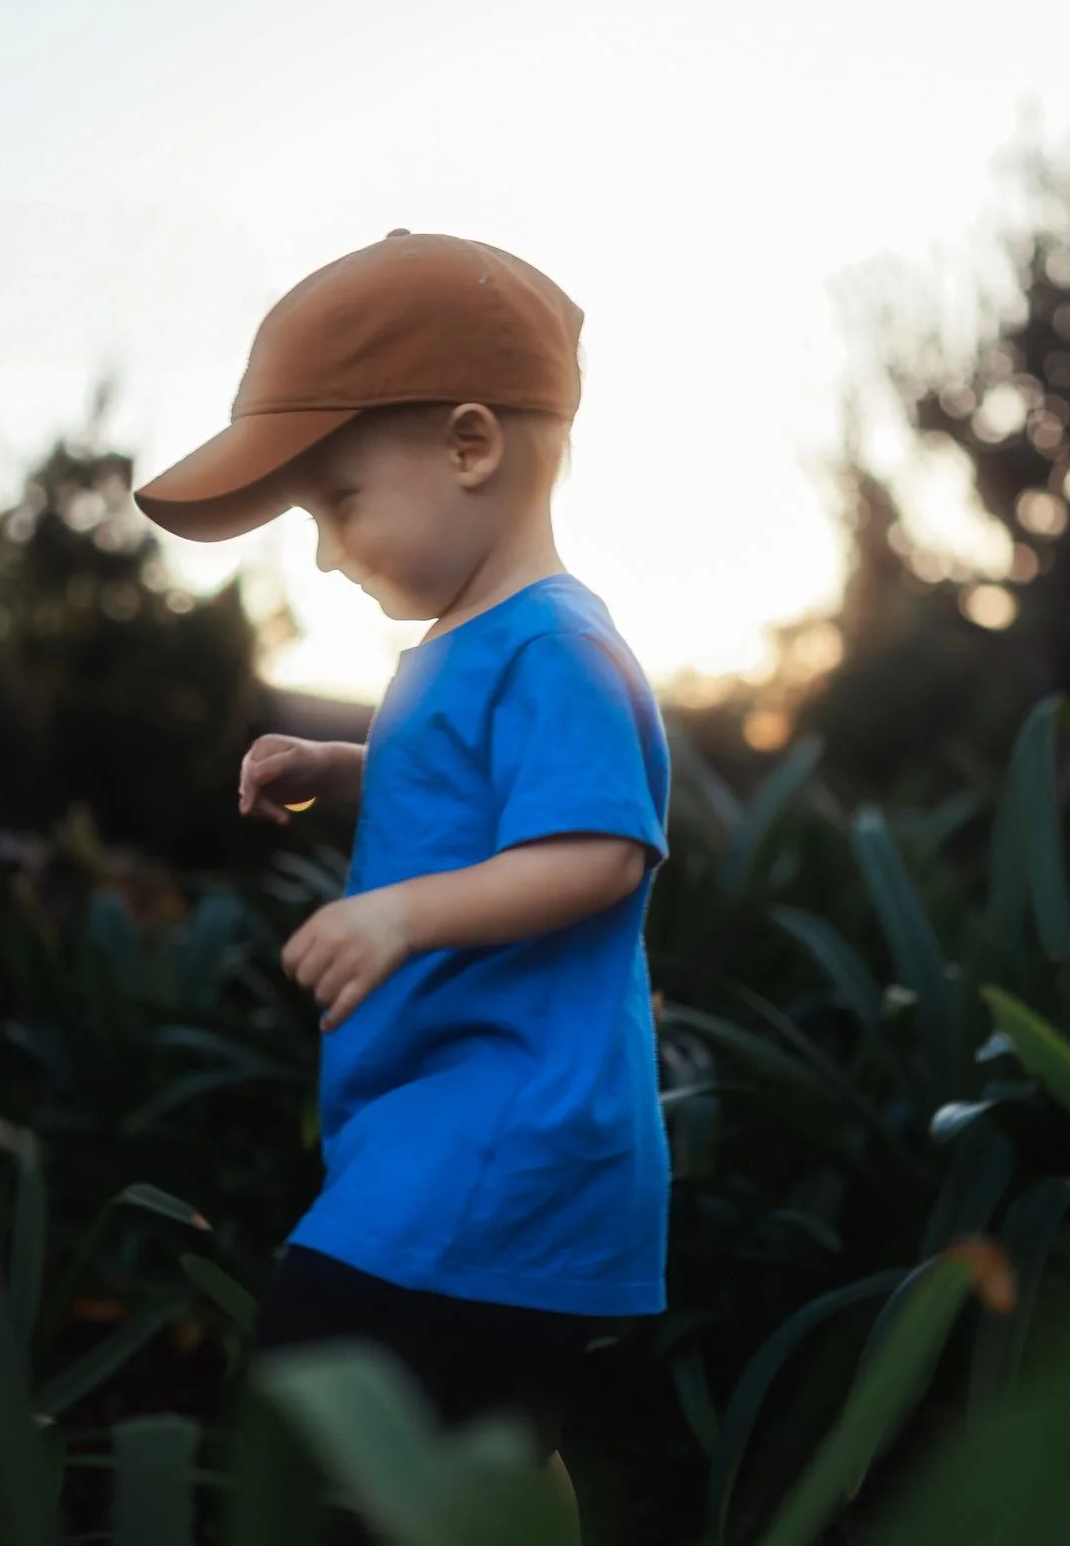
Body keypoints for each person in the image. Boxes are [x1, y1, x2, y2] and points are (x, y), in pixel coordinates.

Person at [133, 230, 670, 1537]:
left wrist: (401, 908)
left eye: (337, 501)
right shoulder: (473, 648)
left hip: (499, 1136)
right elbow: (487, 787)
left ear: (472, 445)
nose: (323, 551)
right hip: (450, 1122)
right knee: (480, 1444)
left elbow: (601, 848)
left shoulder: (560, 643)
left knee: (319, 1381)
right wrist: (351, 765)